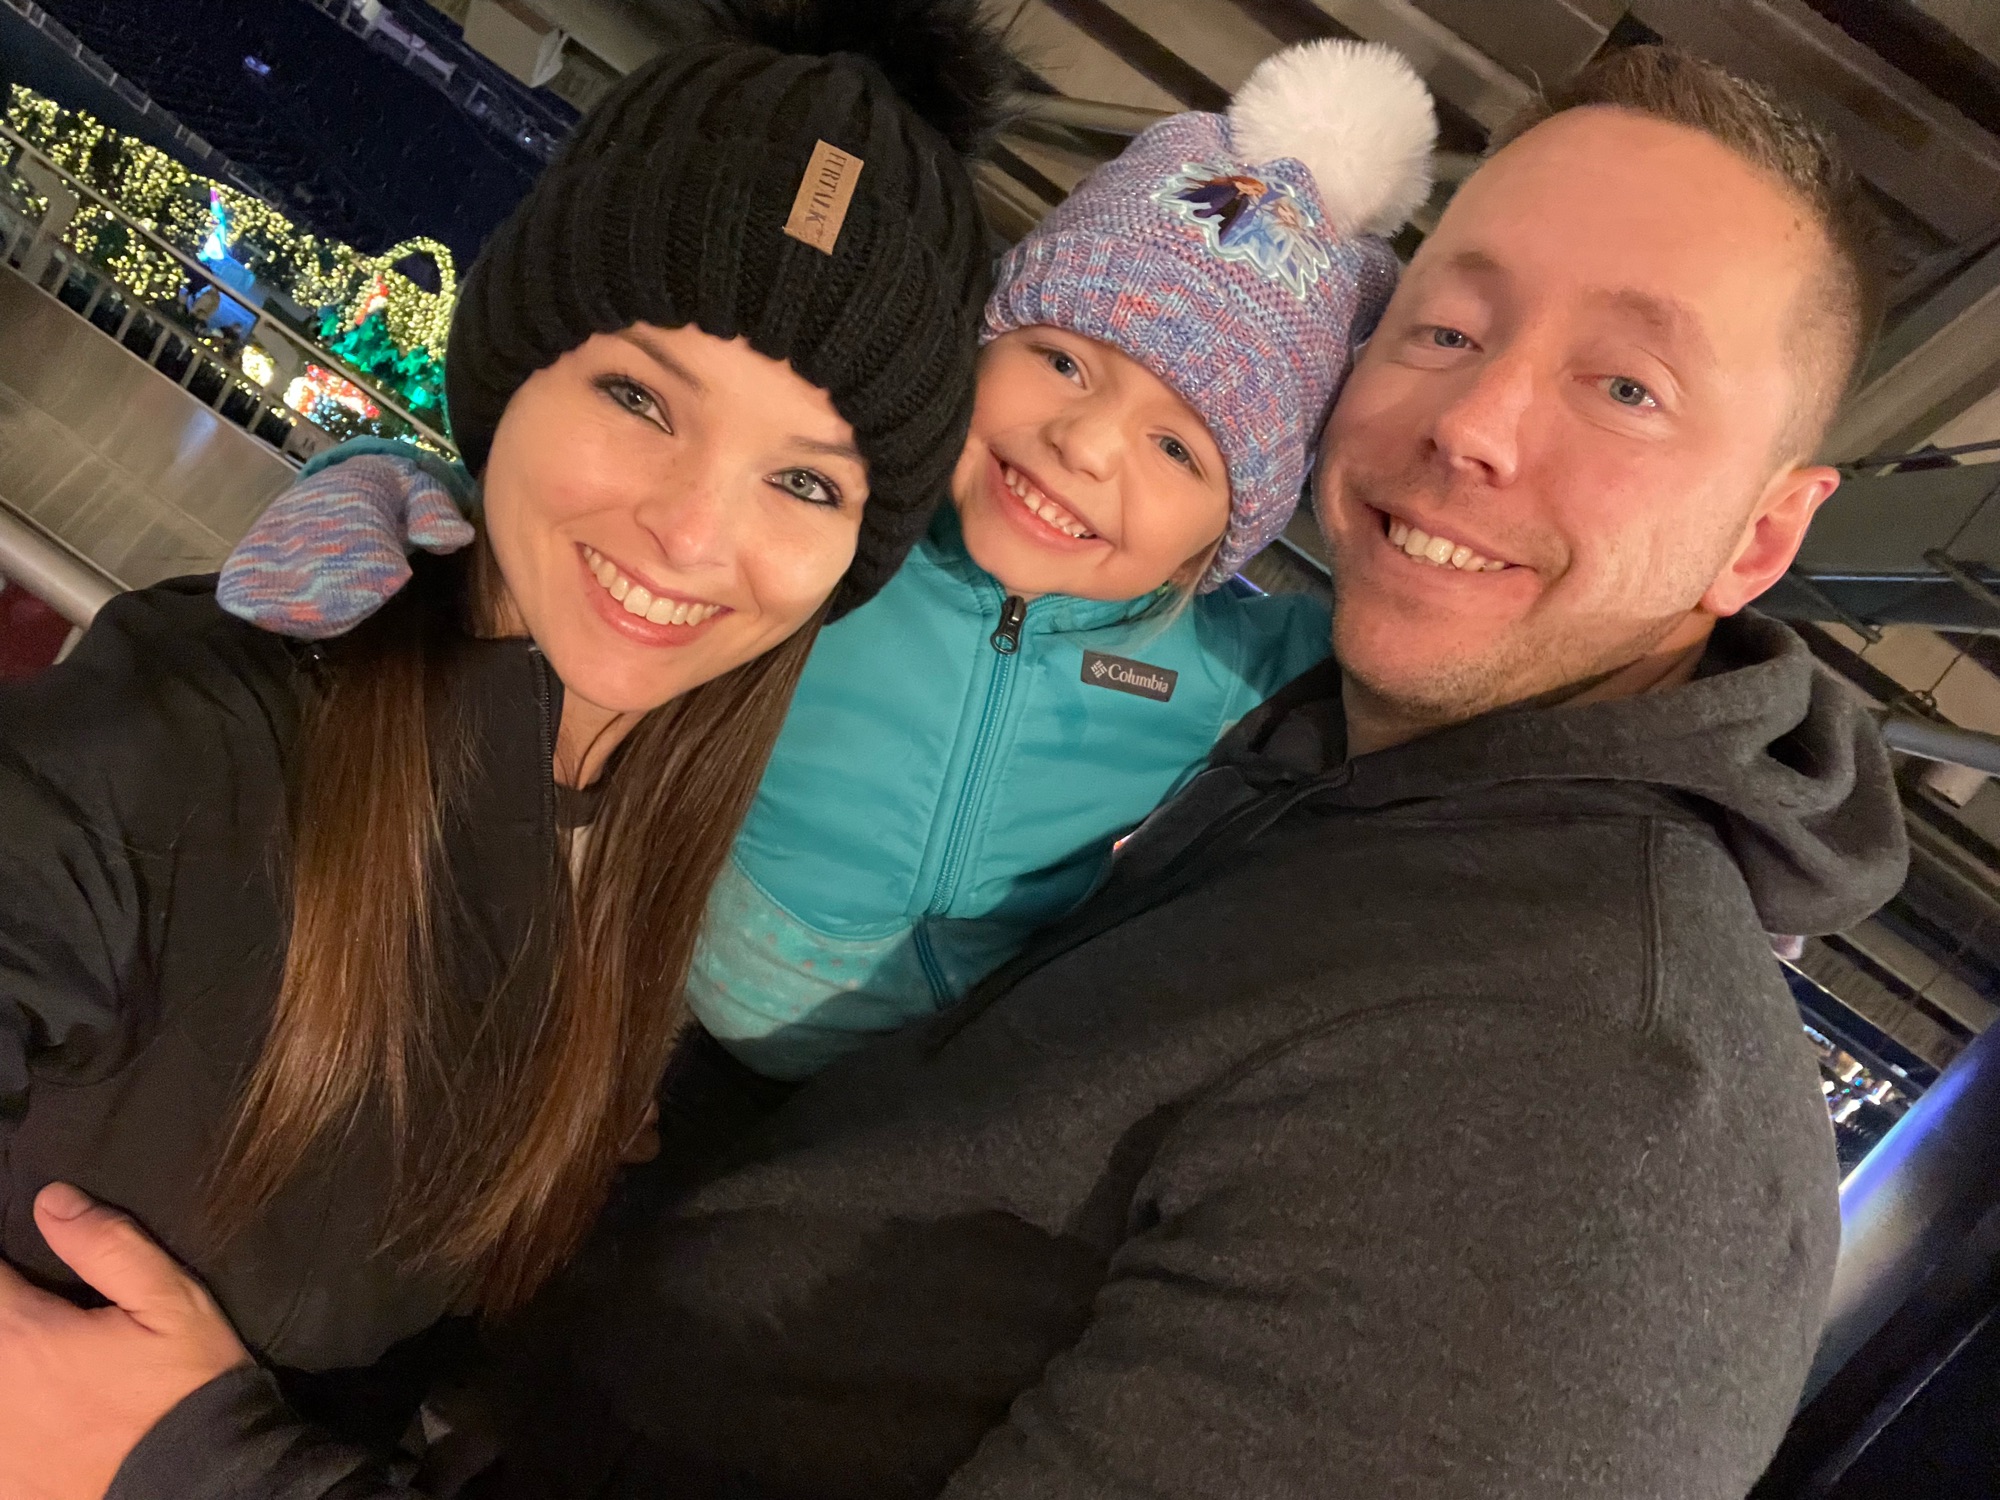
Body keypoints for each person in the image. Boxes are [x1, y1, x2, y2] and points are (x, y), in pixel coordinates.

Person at [0, 43, 1913, 1500]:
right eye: (1449, 325)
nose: (1477, 420)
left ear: (1767, 532)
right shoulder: (1324, 791)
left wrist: (198, 1470)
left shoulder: (1610, 1103)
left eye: (1628, 386)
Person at [0, 0, 1002, 1481]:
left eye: (804, 484)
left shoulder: (629, 879)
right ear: (513, 371)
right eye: (639, 396)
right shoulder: (195, 735)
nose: (691, 532)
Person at [210, 39, 1437, 1080]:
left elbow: (1429, 659)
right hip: (642, 996)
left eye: (1177, 448)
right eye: (1062, 361)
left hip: (903, 1090)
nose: (1085, 444)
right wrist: (377, 487)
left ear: (1229, 529)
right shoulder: (841, 538)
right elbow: (563, 508)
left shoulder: (1225, 667)